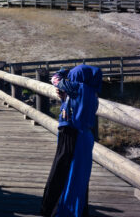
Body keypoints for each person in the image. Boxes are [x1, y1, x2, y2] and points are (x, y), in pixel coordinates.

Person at [41, 65, 102, 217]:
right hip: (84, 136)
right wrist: (64, 97)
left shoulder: (78, 87)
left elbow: (55, 79)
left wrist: (63, 71)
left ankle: (56, 209)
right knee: (79, 175)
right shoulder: (91, 92)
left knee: (62, 171)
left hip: (72, 134)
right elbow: (74, 105)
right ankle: (78, 209)